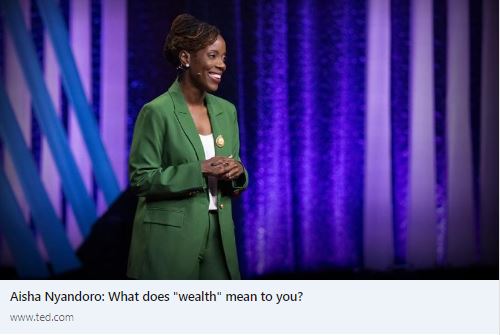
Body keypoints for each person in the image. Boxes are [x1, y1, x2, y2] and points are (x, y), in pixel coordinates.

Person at [127, 14, 248, 279]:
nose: (222, 65)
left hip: (220, 238)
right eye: (213, 56)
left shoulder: (227, 111)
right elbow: (141, 180)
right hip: (170, 241)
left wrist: (237, 172)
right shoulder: (156, 111)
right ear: (186, 58)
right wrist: (199, 170)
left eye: (224, 58)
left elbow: (233, 173)